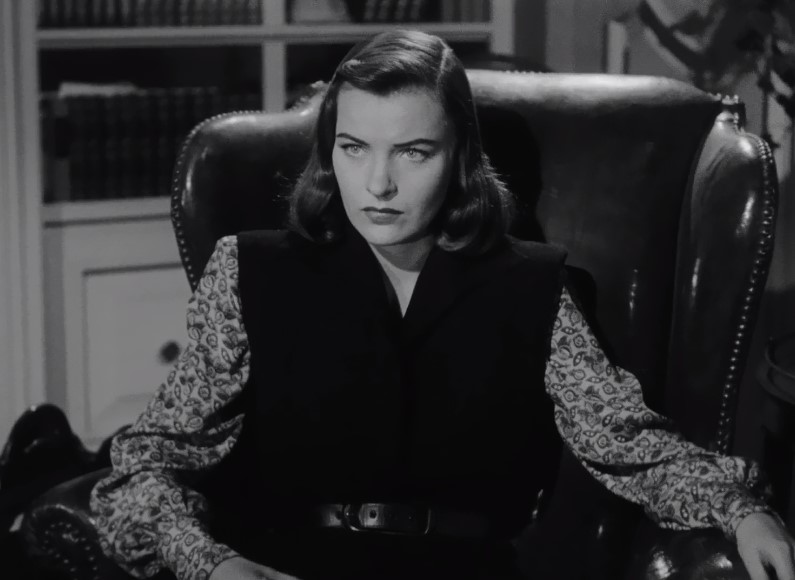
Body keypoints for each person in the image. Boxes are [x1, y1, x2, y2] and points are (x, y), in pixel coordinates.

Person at [90, 30, 795, 580]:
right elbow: (143, 468)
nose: (378, 184)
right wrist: (211, 564)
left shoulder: (531, 288)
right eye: (354, 148)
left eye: (413, 152)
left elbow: (625, 442)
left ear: (458, 159)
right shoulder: (249, 273)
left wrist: (741, 512)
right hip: (285, 563)